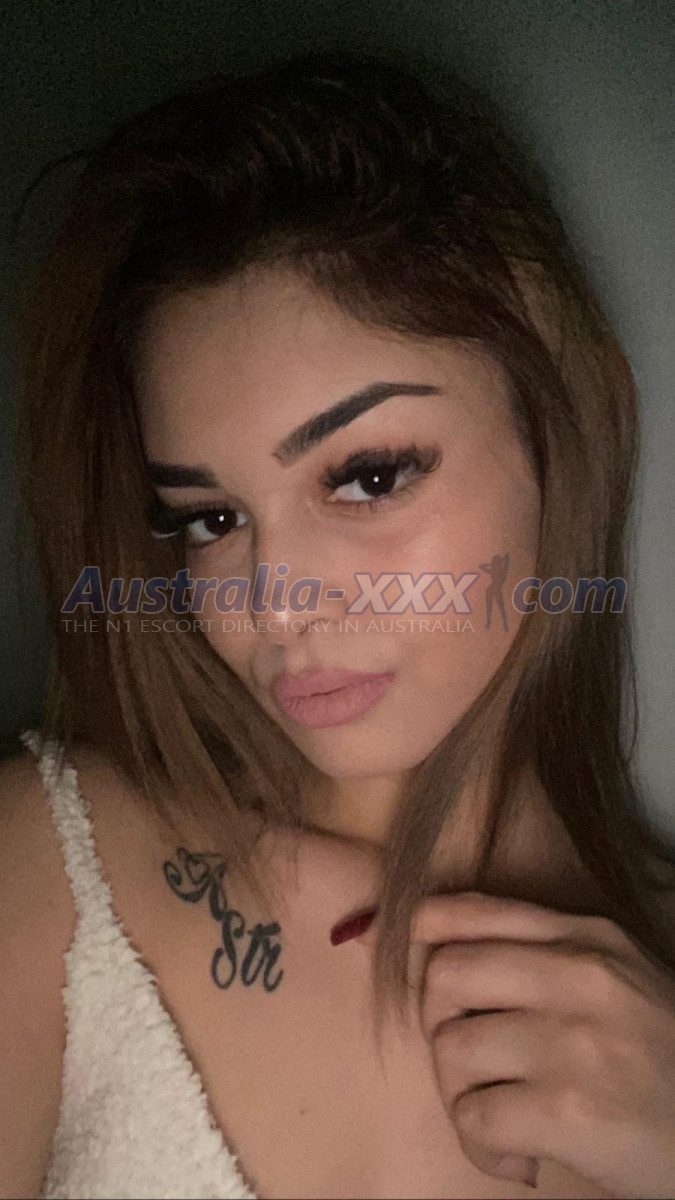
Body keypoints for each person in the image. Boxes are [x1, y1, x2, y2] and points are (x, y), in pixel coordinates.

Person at [3, 47, 675, 1200]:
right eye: (211, 518)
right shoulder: (49, 873)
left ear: (555, 434)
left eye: (367, 478)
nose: (273, 601)